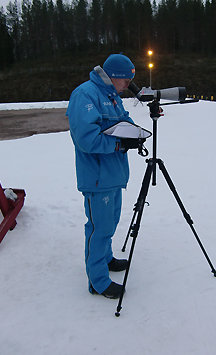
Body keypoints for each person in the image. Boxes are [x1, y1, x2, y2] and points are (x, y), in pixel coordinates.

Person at [66, 53, 142, 299]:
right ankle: (97, 281)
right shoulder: (85, 95)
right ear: (115, 76)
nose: (128, 86)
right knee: (99, 228)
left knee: (110, 222)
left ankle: (106, 259)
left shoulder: (111, 95)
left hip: (114, 174)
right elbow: (86, 139)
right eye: (127, 80)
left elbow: (123, 120)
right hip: (97, 177)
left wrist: (136, 133)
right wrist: (120, 145)